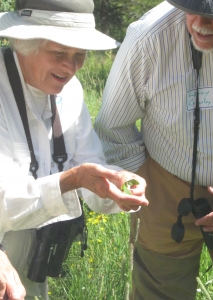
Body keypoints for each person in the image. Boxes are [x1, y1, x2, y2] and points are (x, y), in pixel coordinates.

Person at [0, 0, 148, 299]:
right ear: (23, 43)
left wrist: (115, 184)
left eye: (80, 55)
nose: (70, 67)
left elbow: (88, 161)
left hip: (36, 258)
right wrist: (72, 180)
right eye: (59, 53)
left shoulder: (71, 89)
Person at [94, 0, 213, 299]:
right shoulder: (149, 37)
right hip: (164, 188)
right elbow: (112, 129)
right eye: (192, 8)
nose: (200, 23)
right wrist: (143, 189)